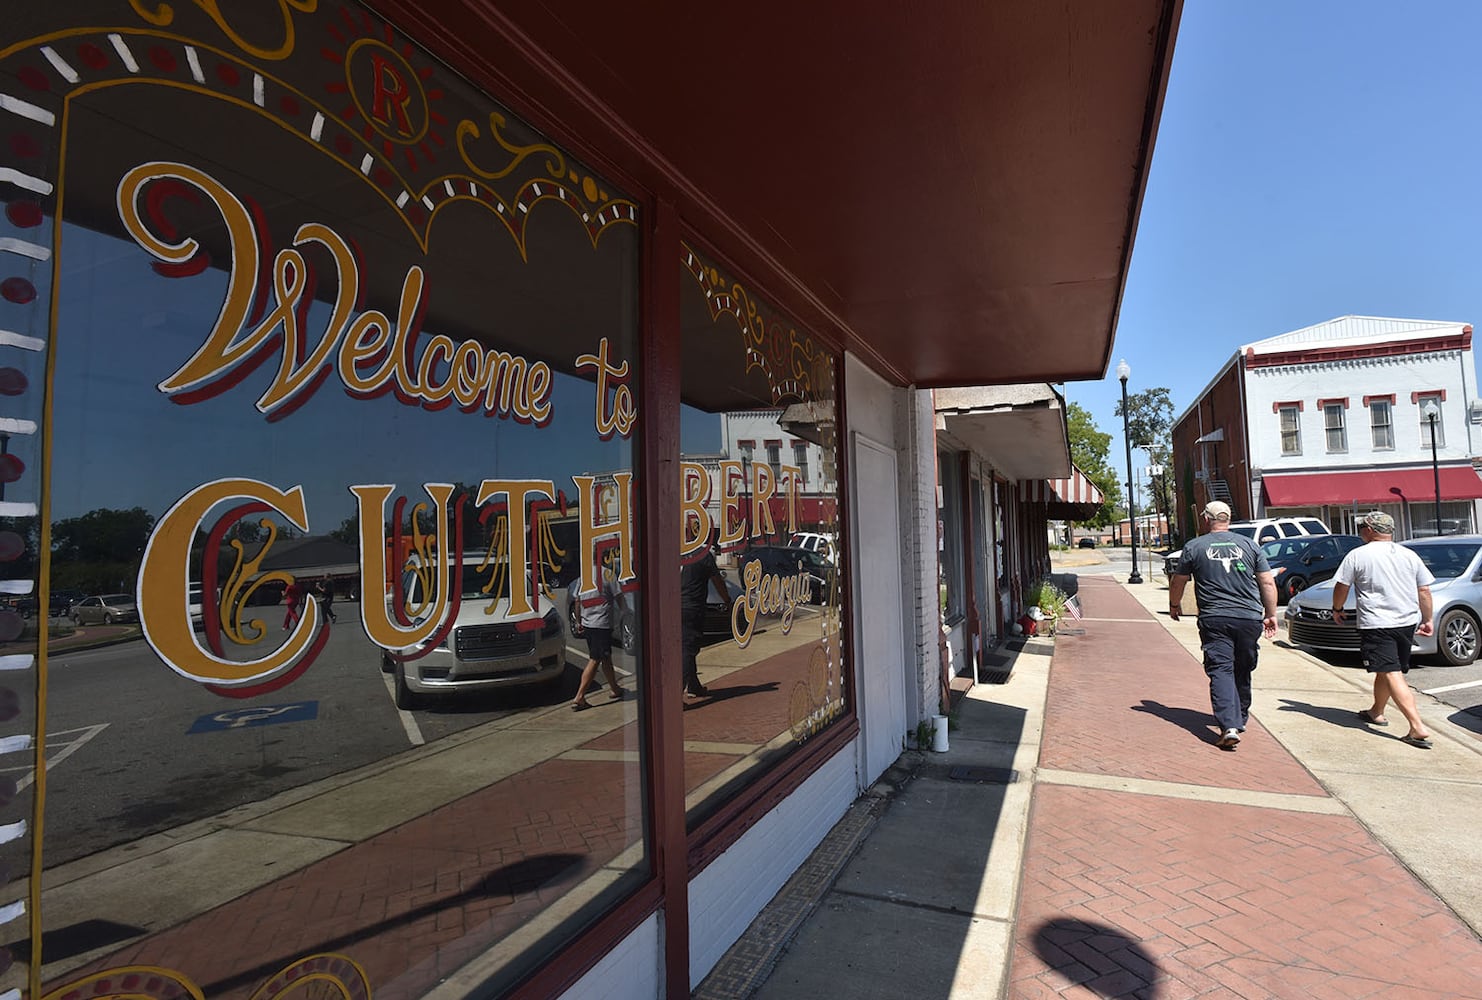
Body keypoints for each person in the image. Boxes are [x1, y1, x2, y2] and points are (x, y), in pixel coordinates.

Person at [1168, 500, 1278, 750]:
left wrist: (1174, 605)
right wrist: (1271, 614)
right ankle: (1238, 718)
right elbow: (1267, 582)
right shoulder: (1249, 545)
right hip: (1249, 617)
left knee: (1221, 669)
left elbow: (1179, 580)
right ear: (1228, 519)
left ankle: (1229, 725)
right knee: (1242, 667)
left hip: (1215, 618)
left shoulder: (1194, 546)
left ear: (1206, 519)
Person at [1331, 510, 1435, 749]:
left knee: (1391, 671)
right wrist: (1427, 618)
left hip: (1378, 622)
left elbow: (1342, 586)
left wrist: (1337, 608)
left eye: (1361, 528)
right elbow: (1424, 591)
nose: (1360, 533)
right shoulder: (1409, 555)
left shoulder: (1358, 555)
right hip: (1406, 621)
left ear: (1370, 530)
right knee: (1387, 668)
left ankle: (1416, 726)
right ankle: (1376, 711)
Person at [571, 559, 627, 711]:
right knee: (595, 659)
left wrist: (578, 621)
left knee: (605, 657)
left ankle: (615, 688)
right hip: (601, 624)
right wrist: (626, 613)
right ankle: (580, 697)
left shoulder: (585, 576)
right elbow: (619, 596)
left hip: (589, 624)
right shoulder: (607, 574)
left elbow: (577, 600)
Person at [680, 543, 731, 698]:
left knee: (688, 647)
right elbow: (717, 580)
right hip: (692, 607)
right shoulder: (704, 555)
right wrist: (727, 600)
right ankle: (676, 695)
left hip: (676, 606)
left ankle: (693, 685)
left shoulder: (683, 553)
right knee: (688, 650)